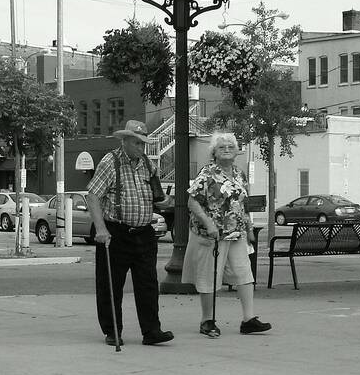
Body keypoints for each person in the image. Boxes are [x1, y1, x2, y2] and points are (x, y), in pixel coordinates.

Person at [87, 119, 174, 346]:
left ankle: (152, 331)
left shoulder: (147, 164)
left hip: (144, 233)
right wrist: (101, 229)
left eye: (143, 143)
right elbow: (93, 196)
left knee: (148, 284)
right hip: (116, 232)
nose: (141, 148)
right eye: (137, 143)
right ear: (124, 141)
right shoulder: (110, 162)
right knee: (110, 285)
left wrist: (164, 202)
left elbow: (158, 197)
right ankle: (112, 330)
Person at [182, 131, 272, 337]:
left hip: (236, 232)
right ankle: (207, 320)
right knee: (209, 275)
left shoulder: (239, 174)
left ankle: (248, 319)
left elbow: (243, 204)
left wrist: (249, 228)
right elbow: (192, 202)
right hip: (211, 234)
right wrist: (209, 223)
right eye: (222, 147)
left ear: (237, 151)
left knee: (244, 273)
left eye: (231, 146)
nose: (227, 150)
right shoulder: (207, 174)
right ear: (214, 151)